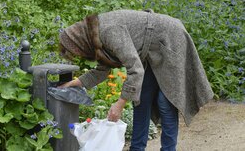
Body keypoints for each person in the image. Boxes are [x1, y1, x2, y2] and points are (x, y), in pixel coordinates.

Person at [58, 9, 214, 151]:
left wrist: (119, 104)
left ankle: (168, 149)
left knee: (165, 102)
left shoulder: (109, 31)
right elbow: (101, 71)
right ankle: (137, 149)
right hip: (149, 52)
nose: (80, 55)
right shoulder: (94, 35)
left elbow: (136, 69)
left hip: (170, 40)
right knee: (141, 98)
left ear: (80, 42)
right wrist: (72, 84)